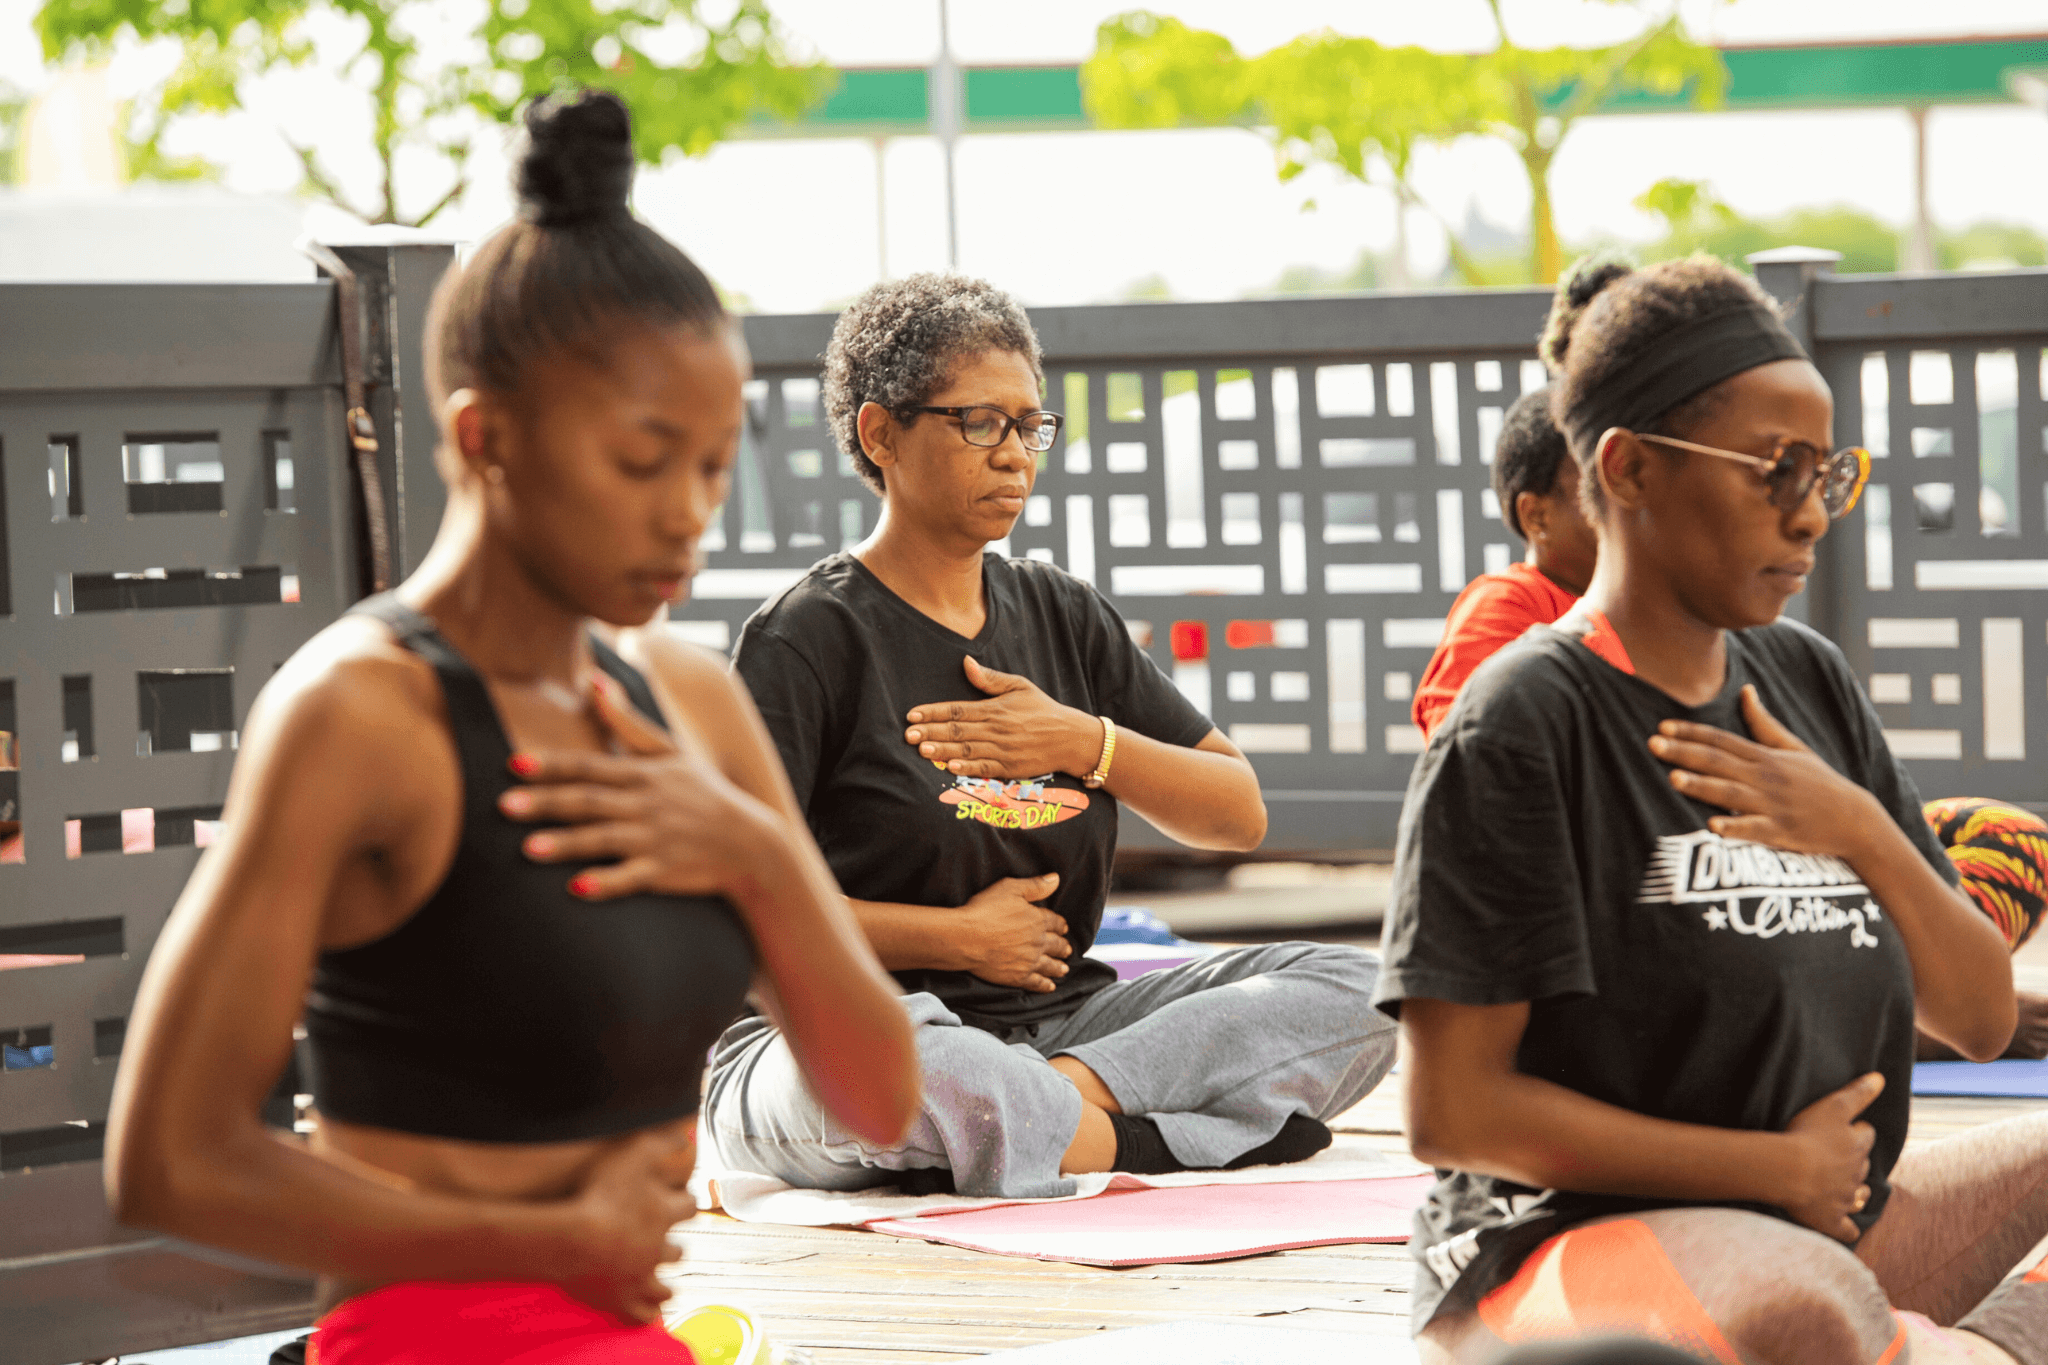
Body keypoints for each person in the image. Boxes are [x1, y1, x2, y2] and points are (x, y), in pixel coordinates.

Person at [101, 90, 918, 1364]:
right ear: (485, 438)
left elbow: (877, 1101)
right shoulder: (358, 713)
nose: (686, 519)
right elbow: (167, 1162)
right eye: (642, 464)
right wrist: (539, 1244)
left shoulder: (685, 699)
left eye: (710, 468)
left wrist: (754, 853)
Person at [1375, 252, 2048, 1365]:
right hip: (1559, 1250)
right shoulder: (1523, 723)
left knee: (1818, 1300)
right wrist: (1767, 1170)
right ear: (1628, 468)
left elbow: (1976, 1019)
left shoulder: (1804, 681)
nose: (1806, 517)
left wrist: (1859, 830)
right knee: (1805, 1314)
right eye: (1769, 471)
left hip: (1824, 1226)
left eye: (1824, 474)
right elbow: (1451, 1113)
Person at [706, 273, 1396, 1199]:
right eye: (980, 423)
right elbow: (734, 919)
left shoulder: (1061, 613)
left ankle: (1054, 1117)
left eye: (1031, 426)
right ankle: (1139, 1139)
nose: (1016, 455)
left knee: (1363, 988)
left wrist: (1084, 741)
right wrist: (956, 940)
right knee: (920, 1074)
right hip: (843, 1035)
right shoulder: (808, 638)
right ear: (881, 433)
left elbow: (1238, 815)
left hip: (1067, 1028)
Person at [1412, 388, 1596, 741]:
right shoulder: (1505, 606)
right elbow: (1472, 761)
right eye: (1596, 483)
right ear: (1537, 516)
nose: (1624, 498)